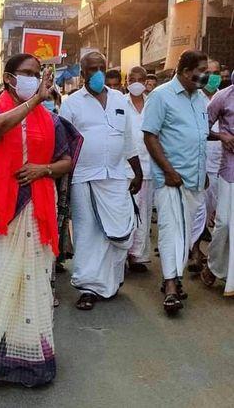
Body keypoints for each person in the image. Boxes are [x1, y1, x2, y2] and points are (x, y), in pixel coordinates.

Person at [0, 54, 82, 387]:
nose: (33, 78)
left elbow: (66, 161)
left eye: (36, 74)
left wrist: (43, 170)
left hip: (37, 204)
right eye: (26, 74)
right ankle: (2, 336)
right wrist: (34, 101)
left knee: (32, 280)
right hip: (1, 207)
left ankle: (28, 353)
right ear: (9, 77)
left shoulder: (52, 119)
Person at [60, 52, 142, 311]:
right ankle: (87, 287)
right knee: (87, 233)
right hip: (84, 177)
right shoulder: (71, 103)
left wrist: (137, 171)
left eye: (101, 68)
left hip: (117, 177)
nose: (97, 72)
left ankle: (111, 281)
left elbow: (128, 139)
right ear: (82, 73)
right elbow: (63, 144)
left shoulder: (119, 99)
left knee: (118, 232)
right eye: (91, 69)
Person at [142, 50, 209, 315]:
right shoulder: (161, 96)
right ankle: (170, 285)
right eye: (201, 70)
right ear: (184, 71)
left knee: (186, 232)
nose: (206, 75)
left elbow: (200, 136)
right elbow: (150, 136)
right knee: (171, 229)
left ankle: (174, 277)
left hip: (194, 178)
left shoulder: (200, 98)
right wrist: (168, 171)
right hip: (171, 178)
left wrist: (202, 171)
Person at [201, 77, 234, 295]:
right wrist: (221, 135)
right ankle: (214, 265)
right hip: (229, 170)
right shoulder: (224, 96)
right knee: (223, 224)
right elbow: (202, 125)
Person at [189, 59, 223, 272]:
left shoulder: (227, 97)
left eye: (216, 72)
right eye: (207, 72)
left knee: (222, 219)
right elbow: (197, 130)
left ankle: (217, 261)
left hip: (225, 167)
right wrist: (221, 136)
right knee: (198, 212)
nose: (212, 76)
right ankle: (194, 252)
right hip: (200, 164)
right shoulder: (195, 98)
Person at [126, 66, 154, 272]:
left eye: (139, 79)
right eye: (131, 79)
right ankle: (122, 252)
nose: (135, 82)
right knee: (126, 212)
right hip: (126, 168)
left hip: (150, 167)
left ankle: (137, 256)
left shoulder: (154, 103)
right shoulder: (120, 102)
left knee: (143, 211)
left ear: (146, 82)